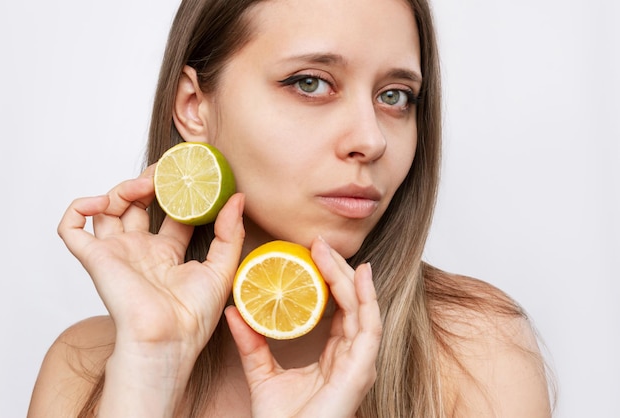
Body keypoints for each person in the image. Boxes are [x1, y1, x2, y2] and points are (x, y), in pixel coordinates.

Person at [28, 0, 553, 416]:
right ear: (194, 107)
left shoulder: (476, 353)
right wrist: (148, 369)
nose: (370, 140)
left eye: (395, 96)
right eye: (310, 83)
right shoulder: (87, 369)